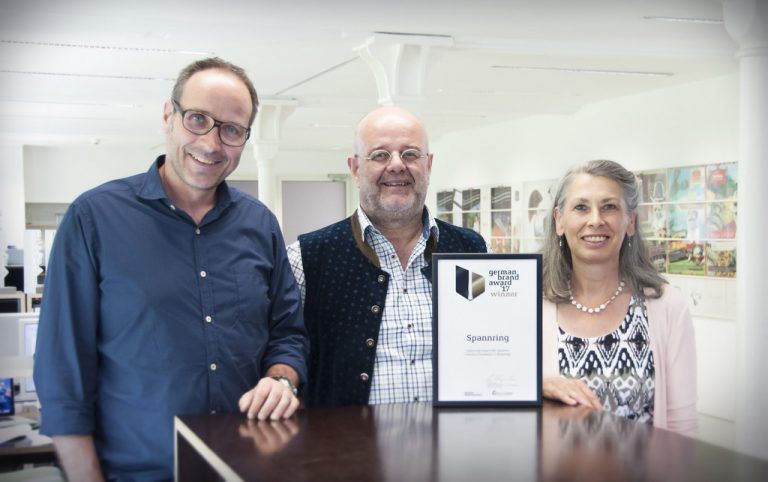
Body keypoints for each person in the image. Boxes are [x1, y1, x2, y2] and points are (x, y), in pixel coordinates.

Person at [33, 58, 308, 480]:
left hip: (247, 468)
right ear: (169, 116)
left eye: (232, 130)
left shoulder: (259, 224)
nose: (213, 144)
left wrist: (281, 379)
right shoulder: (94, 218)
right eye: (198, 119)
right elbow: (62, 373)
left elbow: (288, 332)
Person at [287, 106, 487, 407]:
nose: (396, 166)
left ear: (428, 164)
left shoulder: (470, 250)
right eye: (380, 155)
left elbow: (489, 337)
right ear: (355, 168)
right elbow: (284, 349)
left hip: (454, 446)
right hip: (347, 449)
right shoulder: (308, 258)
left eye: (410, 154)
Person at [541, 159, 697, 436]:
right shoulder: (531, 304)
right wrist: (538, 383)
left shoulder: (667, 306)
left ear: (631, 222)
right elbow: (495, 390)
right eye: (581, 207)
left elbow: (681, 425)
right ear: (559, 221)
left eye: (609, 207)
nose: (595, 220)